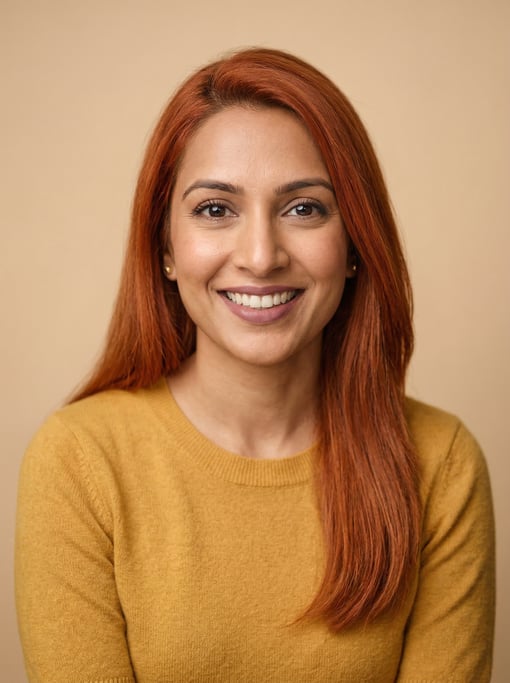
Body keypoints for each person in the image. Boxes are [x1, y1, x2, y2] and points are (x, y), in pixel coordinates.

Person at [15, 48, 495, 682]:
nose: (261, 256)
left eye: (304, 208)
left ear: (355, 245)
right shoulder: (79, 462)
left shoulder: (441, 463)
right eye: (216, 210)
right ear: (165, 247)